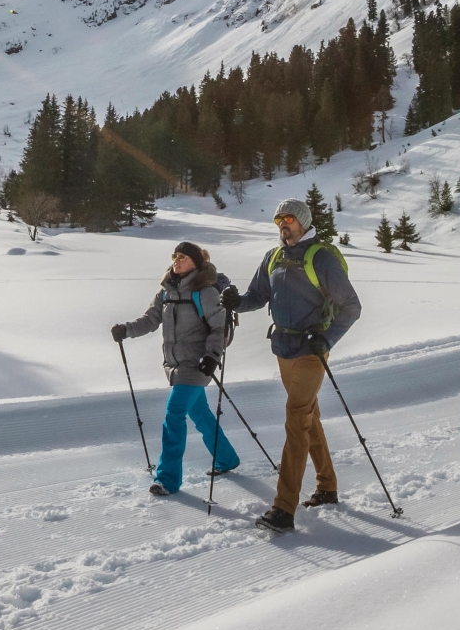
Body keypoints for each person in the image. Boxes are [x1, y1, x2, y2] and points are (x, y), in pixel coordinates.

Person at [223, 197, 361, 531]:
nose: (283, 225)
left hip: (313, 350)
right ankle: (327, 487)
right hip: (283, 348)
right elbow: (258, 296)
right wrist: (237, 302)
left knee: (296, 419)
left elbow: (351, 307)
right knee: (308, 417)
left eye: (288, 219)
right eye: (278, 221)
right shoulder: (273, 257)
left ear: (302, 221)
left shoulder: (322, 257)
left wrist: (327, 339)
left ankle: (284, 510)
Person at [113, 241, 242, 495]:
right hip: (175, 364)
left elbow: (220, 328)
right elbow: (150, 320)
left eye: (182, 257)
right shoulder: (166, 292)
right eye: (175, 256)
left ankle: (167, 479)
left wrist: (213, 355)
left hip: (198, 364)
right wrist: (126, 330)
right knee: (201, 415)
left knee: (174, 413)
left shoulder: (204, 292)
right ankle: (227, 459)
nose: (177, 260)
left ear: (195, 262)